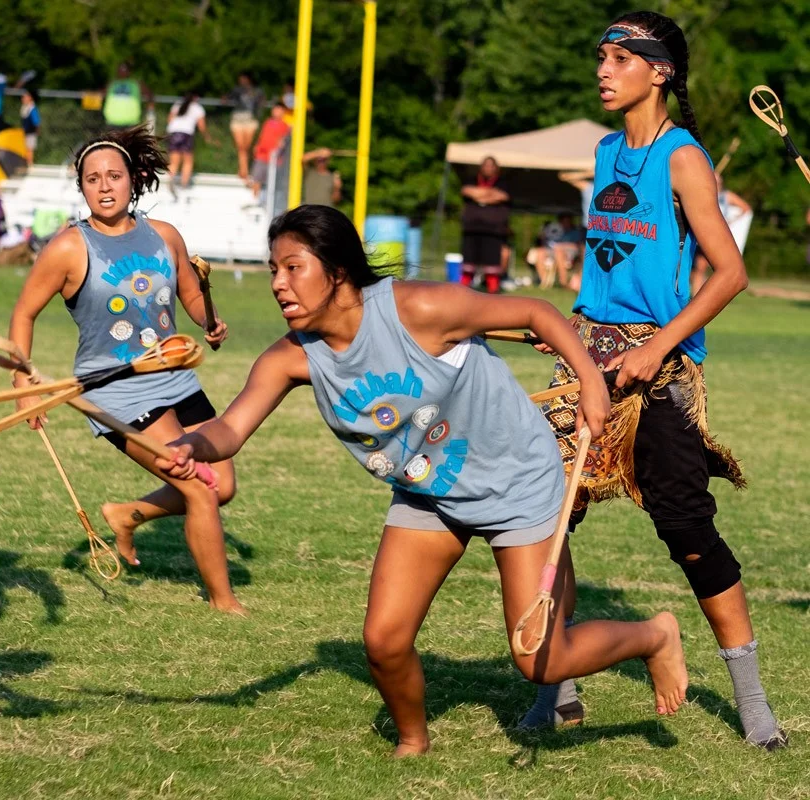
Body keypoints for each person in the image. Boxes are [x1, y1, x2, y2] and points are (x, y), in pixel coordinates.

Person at [156, 204, 688, 756]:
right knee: (384, 642)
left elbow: (534, 311)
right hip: (429, 494)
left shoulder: (420, 308)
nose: (278, 284)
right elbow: (231, 427)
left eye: (293, 268)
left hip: (517, 481)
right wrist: (194, 444)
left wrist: (591, 384)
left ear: (337, 271)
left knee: (540, 658)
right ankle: (413, 743)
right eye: (273, 270)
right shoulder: (293, 358)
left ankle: (654, 635)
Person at [518, 12, 786, 751]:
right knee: (545, 519)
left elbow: (730, 273)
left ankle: (754, 701)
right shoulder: (605, 151)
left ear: (659, 69)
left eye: (618, 58)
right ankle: (557, 683)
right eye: (600, 57)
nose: (603, 70)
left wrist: (656, 345)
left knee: (686, 528)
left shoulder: (684, 158)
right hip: (588, 354)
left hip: (659, 368)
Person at [8, 125, 243, 614]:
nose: (105, 185)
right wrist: (23, 381)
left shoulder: (164, 236)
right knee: (200, 488)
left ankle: (126, 514)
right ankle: (224, 604)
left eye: (114, 175)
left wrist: (208, 323)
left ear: (134, 180)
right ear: (82, 188)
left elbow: (190, 293)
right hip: (117, 389)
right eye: (93, 179)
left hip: (175, 374)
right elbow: (23, 312)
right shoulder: (71, 247)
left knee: (223, 485)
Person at [691, 173, 750, 295]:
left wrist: (732, 221)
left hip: (717, 237)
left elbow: (746, 208)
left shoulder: (726, 196)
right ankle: (697, 296)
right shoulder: (702, 195)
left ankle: (712, 296)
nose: (716, 184)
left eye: (718, 182)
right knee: (699, 268)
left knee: (721, 270)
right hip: (703, 235)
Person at [459, 156, 511, 293]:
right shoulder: (471, 179)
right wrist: (489, 195)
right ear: (481, 167)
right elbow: (466, 191)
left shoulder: (502, 182)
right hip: (472, 227)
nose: (488, 168)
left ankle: (493, 291)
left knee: (492, 263)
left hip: (493, 230)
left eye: (491, 165)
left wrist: (479, 195)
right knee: (468, 263)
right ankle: (462, 289)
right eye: (486, 165)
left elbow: (502, 196)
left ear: (496, 168)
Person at [167, 91, 213, 193]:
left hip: (174, 132)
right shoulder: (197, 108)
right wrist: (207, 136)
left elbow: (169, 119)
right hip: (186, 133)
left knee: (174, 161)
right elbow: (201, 125)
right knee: (188, 161)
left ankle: (171, 180)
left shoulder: (177, 104)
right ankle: (184, 185)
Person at [226, 72, 264, 179]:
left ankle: (244, 169)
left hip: (250, 119)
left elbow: (262, 102)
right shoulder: (237, 90)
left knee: (247, 146)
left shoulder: (257, 91)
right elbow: (227, 98)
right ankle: (244, 171)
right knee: (241, 146)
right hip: (238, 118)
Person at [249, 103, 291, 199]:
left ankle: (268, 201)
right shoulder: (267, 122)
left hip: (274, 159)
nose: (276, 112)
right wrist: (257, 146)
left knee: (271, 182)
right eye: (275, 109)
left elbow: (283, 141)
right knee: (257, 178)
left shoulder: (285, 126)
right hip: (262, 155)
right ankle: (255, 199)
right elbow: (262, 136)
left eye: (279, 110)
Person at [103, 62, 152, 129]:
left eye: (125, 70)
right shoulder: (112, 83)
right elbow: (101, 93)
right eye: (121, 70)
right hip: (113, 121)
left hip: (131, 122)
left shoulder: (136, 83)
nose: (123, 72)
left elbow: (149, 94)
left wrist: (150, 107)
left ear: (129, 72)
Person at [19, 86, 41, 167]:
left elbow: (36, 121)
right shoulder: (25, 108)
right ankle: (25, 163)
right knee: (25, 148)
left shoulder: (32, 108)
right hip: (25, 132)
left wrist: (37, 130)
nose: (23, 98)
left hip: (31, 132)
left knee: (29, 149)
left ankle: (29, 163)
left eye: (25, 97)